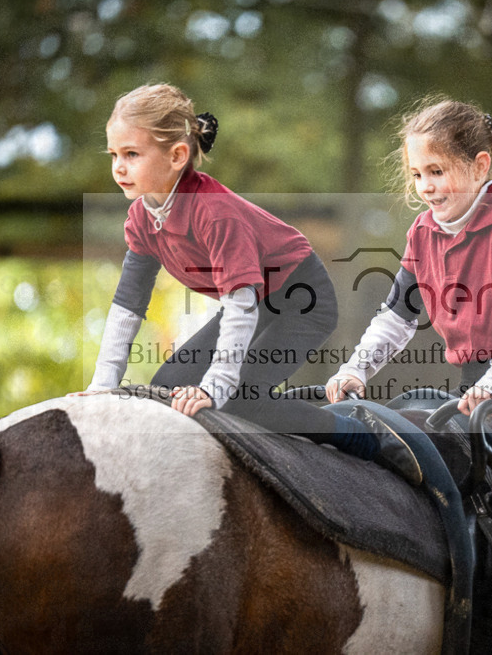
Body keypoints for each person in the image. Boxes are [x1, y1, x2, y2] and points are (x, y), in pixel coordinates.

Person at [74, 83, 421, 485]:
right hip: (257, 301)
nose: (118, 166)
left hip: (301, 299)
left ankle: (366, 436)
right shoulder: (141, 219)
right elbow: (127, 305)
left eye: (131, 154)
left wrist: (216, 385)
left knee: (237, 398)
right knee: (167, 387)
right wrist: (103, 386)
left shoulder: (214, 213)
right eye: (114, 155)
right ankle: (284, 406)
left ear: (177, 155)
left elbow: (239, 305)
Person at [326, 97, 492, 652]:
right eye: (417, 174)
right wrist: (354, 371)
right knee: (432, 467)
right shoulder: (422, 234)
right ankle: (463, 618)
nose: (426, 186)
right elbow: (395, 318)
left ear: (480, 166)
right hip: (473, 384)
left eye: (437, 172)